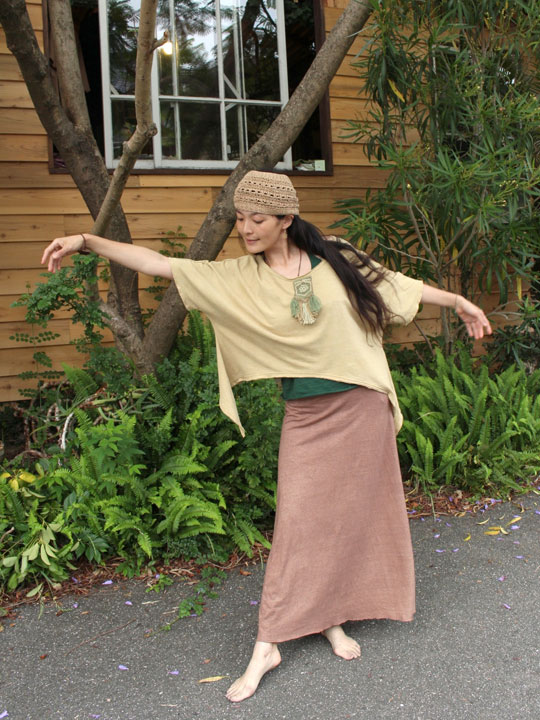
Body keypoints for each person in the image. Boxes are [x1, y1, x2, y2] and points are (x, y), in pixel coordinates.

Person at [41, 170, 492, 703]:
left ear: (286, 219)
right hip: (306, 416)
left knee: (348, 518)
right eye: (240, 218)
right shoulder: (239, 276)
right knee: (298, 525)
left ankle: (329, 618)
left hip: (362, 407)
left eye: (257, 219)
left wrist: (457, 300)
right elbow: (161, 264)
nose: (246, 228)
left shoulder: (337, 257)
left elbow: (398, 286)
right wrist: (87, 241)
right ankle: (268, 644)